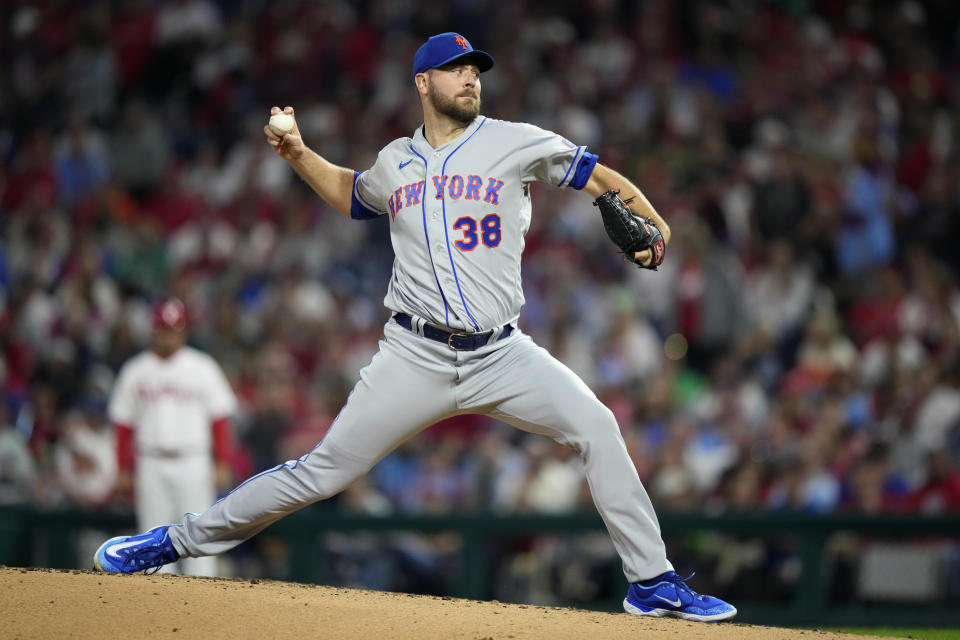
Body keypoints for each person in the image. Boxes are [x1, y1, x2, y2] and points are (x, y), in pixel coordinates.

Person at [93, 33, 736, 622]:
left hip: (502, 353)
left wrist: (655, 224)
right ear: (422, 84)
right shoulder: (394, 161)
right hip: (413, 355)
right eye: (454, 70)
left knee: (597, 425)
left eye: (474, 69)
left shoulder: (514, 141)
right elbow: (352, 195)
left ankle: (651, 581)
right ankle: (170, 541)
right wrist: (296, 153)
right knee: (320, 473)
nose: (469, 78)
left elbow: (598, 178)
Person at [103, 296, 237, 576]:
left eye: (174, 330)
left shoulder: (202, 367)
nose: (168, 336)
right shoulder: (136, 370)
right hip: (151, 462)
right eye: (164, 329)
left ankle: (203, 609)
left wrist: (223, 460)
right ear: (154, 330)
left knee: (200, 539)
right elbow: (123, 424)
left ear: (183, 331)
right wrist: (124, 467)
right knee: (153, 539)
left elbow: (220, 418)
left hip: (194, 461)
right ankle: (158, 611)